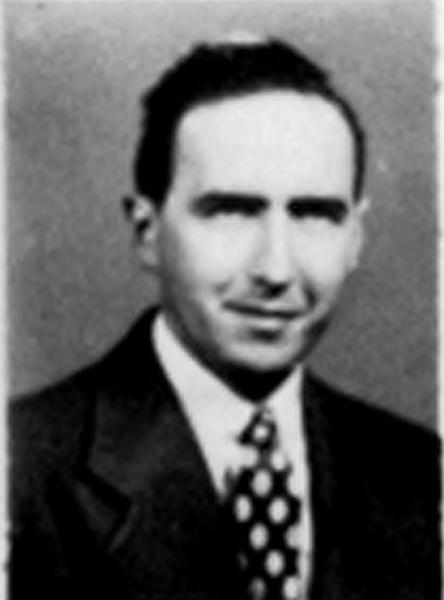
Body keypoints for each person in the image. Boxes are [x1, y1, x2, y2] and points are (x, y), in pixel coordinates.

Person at [10, 36, 440, 600]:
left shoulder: (422, 474)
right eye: (231, 212)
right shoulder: (21, 468)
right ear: (147, 232)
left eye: (315, 214)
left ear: (355, 238)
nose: (276, 270)